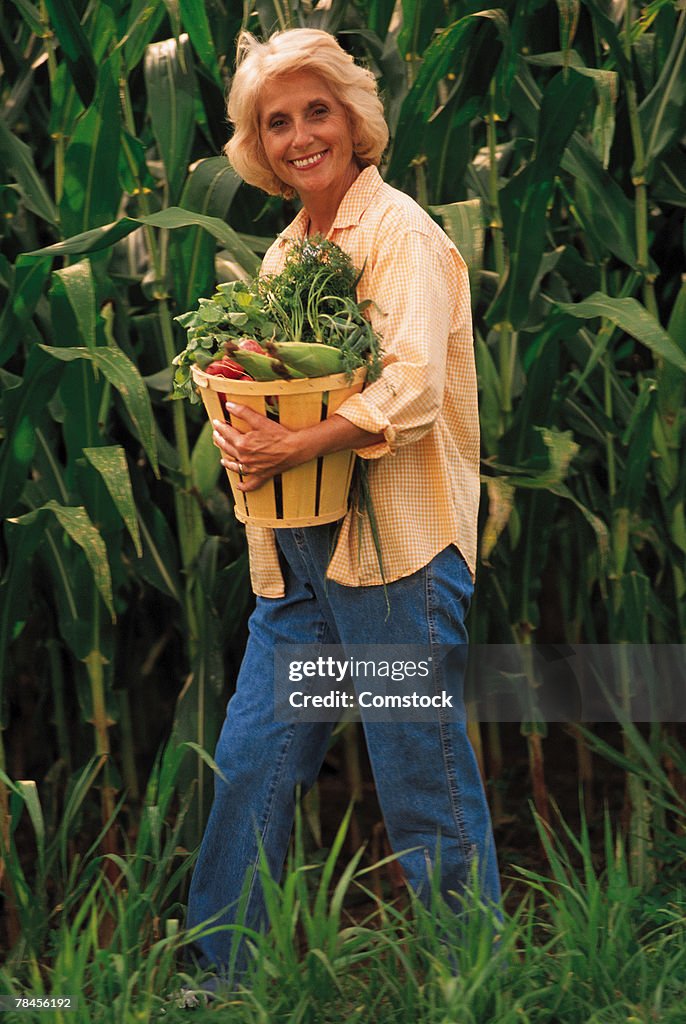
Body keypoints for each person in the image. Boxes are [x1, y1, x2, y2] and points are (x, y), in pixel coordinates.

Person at [185, 26, 501, 983]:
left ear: (355, 121)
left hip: (395, 556)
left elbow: (408, 386)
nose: (297, 136)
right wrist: (246, 435)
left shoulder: (400, 232)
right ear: (258, 146)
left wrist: (298, 440)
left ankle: (470, 981)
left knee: (423, 782)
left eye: (315, 111)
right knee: (253, 764)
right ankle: (220, 984)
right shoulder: (289, 252)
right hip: (302, 555)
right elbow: (274, 381)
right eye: (275, 122)